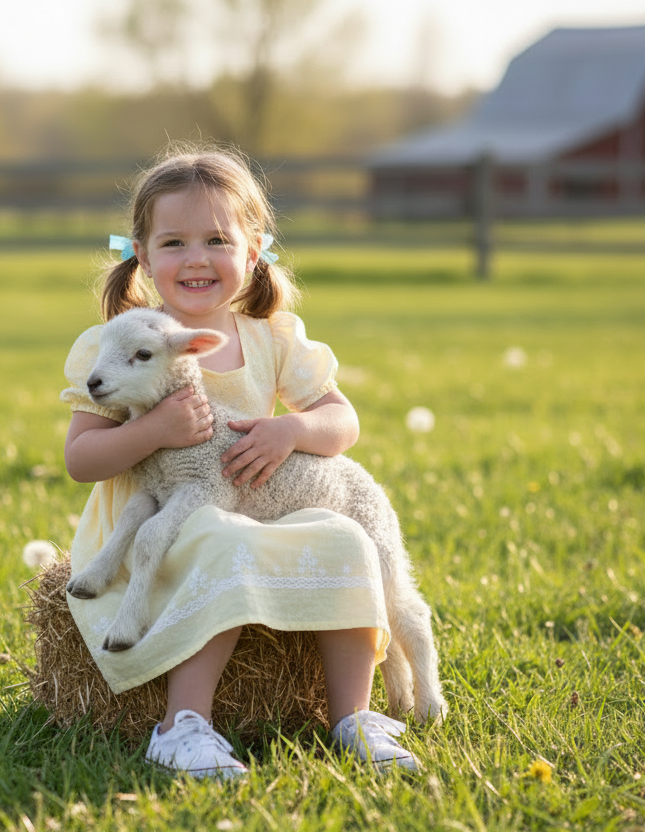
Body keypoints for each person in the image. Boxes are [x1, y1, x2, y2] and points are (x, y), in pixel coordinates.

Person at [60, 145, 418, 779]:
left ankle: (353, 718)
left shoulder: (273, 335)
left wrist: (291, 428)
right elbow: (82, 459)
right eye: (174, 242)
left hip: (264, 507)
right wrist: (154, 431)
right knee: (222, 539)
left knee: (345, 539)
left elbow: (344, 423)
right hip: (160, 520)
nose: (196, 258)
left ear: (253, 252)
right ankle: (182, 726)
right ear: (141, 255)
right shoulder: (121, 341)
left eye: (217, 239)